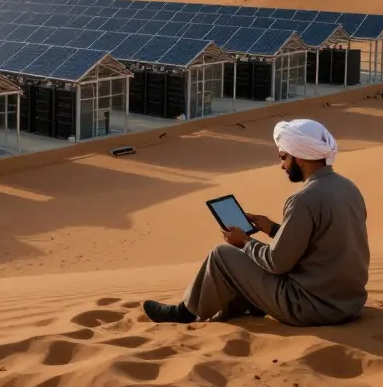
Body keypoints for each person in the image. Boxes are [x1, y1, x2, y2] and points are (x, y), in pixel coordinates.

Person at [143, 118, 369, 327]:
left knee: (222, 255)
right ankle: (247, 303)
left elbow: (277, 263)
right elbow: (322, 243)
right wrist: (272, 229)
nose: (282, 165)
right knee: (251, 261)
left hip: (310, 308)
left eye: (283, 157)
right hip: (348, 304)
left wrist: (244, 242)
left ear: (298, 156)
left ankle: (183, 313)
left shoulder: (303, 199)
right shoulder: (349, 188)